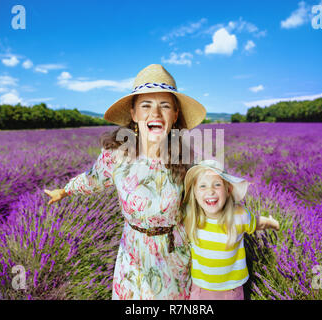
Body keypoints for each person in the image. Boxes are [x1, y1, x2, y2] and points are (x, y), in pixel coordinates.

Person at [44, 64, 206, 299]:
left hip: (174, 255)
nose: (155, 114)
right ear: (134, 114)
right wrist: (65, 191)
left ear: (175, 114)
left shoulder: (186, 158)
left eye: (165, 106)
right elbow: (93, 179)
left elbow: (205, 201)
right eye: (146, 106)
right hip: (133, 256)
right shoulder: (117, 156)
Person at [182, 159, 280, 300]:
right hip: (201, 289)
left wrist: (272, 222)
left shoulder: (239, 215)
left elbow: (257, 222)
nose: (210, 191)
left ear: (228, 190)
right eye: (202, 186)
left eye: (217, 185)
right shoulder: (191, 217)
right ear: (195, 194)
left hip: (231, 290)